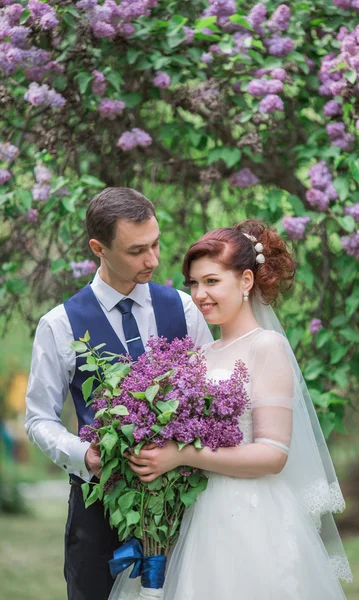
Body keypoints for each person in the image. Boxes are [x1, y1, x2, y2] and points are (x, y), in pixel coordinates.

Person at [119, 219, 352, 599]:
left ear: (246, 281)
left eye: (211, 281)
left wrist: (181, 456)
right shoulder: (200, 356)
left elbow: (273, 455)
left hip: (253, 517)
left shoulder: (267, 347)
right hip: (200, 514)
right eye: (194, 283)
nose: (199, 294)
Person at [24, 187, 213, 600]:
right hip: (98, 509)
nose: (154, 260)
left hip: (184, 503)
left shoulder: (184, 309)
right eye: (137, 250)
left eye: (156, 244)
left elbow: (209, 394)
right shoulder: (58, 325)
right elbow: (38, 418)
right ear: (99, 248)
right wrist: (85, 456)